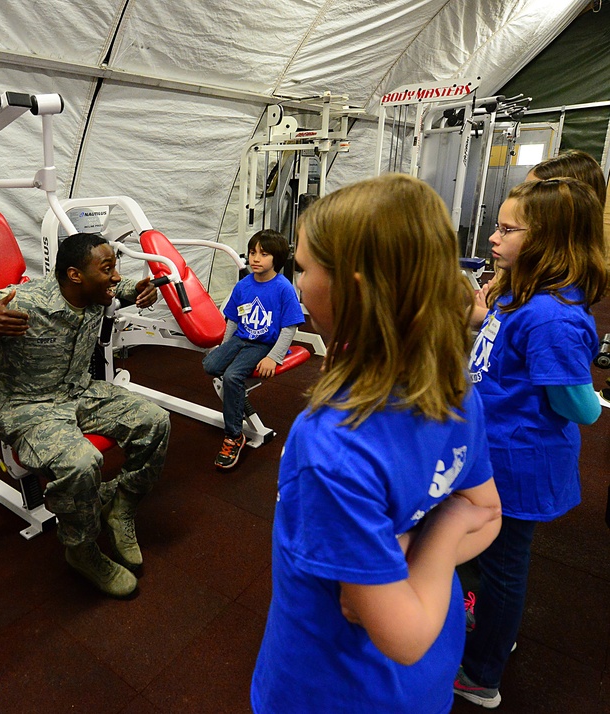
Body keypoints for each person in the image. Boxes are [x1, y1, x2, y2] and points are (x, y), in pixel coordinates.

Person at [250, 174, 502, 713]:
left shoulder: (332, 447)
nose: (297, 284)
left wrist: (421, 552)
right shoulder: (453, 387)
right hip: (424, 681)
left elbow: (404, 634)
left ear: (354, 289)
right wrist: (439, 531)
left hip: (335, 691)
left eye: (303, 267)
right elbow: (485, 510)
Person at [0, 232, 170, 599]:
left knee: (154, 421)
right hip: (26, 407)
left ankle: (121, 507)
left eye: (115, 267)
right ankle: (82, 550)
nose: (116, 276)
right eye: (107, 269)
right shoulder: (27, 300)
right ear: (75, 275)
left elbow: (123, 291)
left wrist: (141, 291)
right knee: (82, 462)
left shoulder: (96, 293)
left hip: (76, 392)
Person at [456, 177, 607, 708]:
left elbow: (580, 408)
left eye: (506, 229)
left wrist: (584, 392)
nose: (493, 239)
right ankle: (492, 628)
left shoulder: (551, 317)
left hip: (519, 464)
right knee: (484, 557)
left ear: (548, 241)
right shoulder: (524, 295)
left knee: (501, 567)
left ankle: (482, 675)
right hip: (494, 451)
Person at [470, 149, 608, 327]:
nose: (523, 200)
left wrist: (490, 316)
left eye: (533, 195)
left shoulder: (556, 317)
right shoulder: (514, 269)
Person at [203, 229, 304, 469]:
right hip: (240, 339)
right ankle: (237, 397)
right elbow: (234, 321)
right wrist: (225, 348)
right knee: (210, 365)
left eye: (264, 254)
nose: (256, 258)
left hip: (263, 344)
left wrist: (273, 357)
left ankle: (234, 435)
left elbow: (290, 328)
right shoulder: (243, 286)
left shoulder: (283, 288)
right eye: (252, 252)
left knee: (232, 376)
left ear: (276, 259)